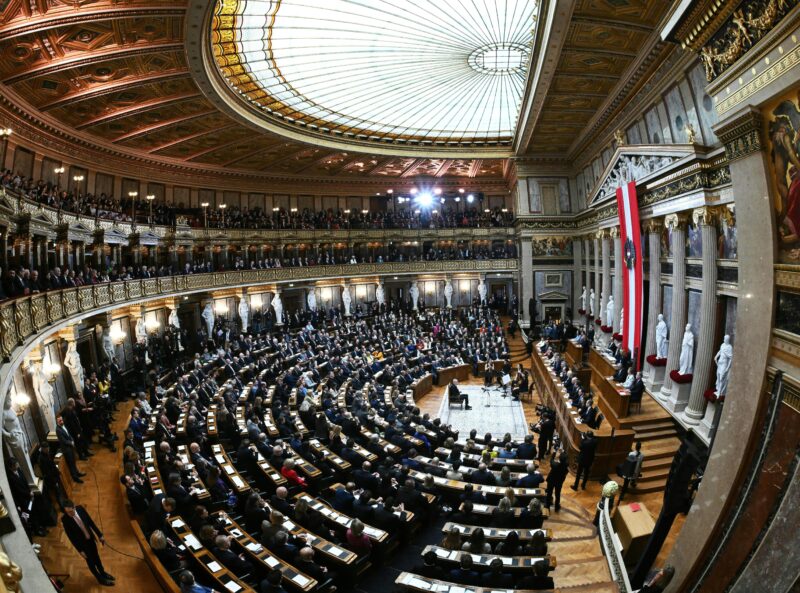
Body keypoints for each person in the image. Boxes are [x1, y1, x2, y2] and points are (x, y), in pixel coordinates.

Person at [61, 499, 115, 586]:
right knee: (90, 562)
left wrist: (100, 535)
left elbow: (91, 522)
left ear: (74, 507)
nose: (69, 514)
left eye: (71, 511)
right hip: (82, 545)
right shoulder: (65, 519)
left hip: (90, 539)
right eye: (67, 512)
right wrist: (80, 550)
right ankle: (100, 579)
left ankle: (103, 573)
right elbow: (71, 537)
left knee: (96, 557)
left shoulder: (80, 509)